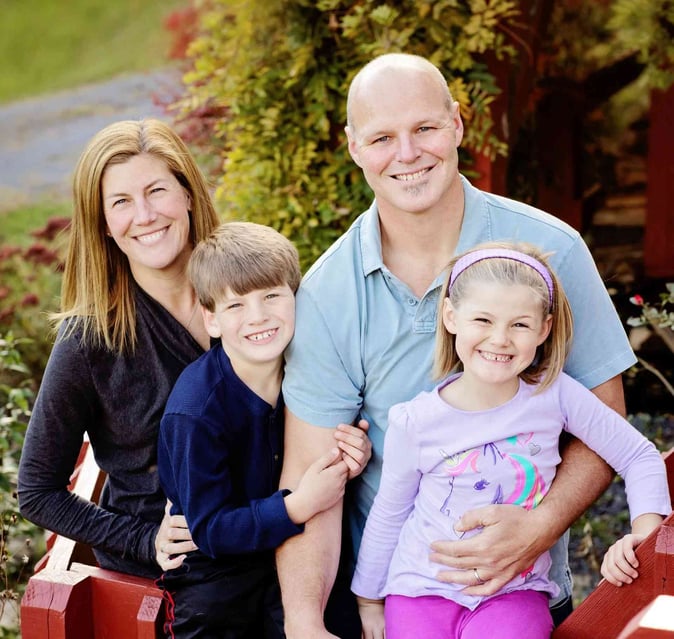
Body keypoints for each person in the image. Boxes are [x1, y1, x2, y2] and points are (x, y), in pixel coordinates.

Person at [277, 53, 638, 639]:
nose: (408, 154)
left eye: (424, 128)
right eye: (382, 137)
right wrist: (303, 623)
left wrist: (541, 525)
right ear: (353, 147)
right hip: (401, 606)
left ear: (457, 125)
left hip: (522, 599)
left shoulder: (553, 250)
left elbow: (608, 420)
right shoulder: (327, 294)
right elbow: (309, 473)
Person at [350, 242, 670, 639]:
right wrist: (368, 600)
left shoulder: (555, 396)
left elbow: (638, 455)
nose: (499, 339)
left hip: (514, 594)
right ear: (451, 317)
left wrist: (645, 537)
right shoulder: (416, 421)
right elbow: (390, 510)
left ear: (544, 328)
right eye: (482, 320)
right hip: (418, 592)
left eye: (519, 324)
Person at [156, 222, 370, 638]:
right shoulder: (196, 411)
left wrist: (350, 455)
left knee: (336, 614)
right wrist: (298, 504)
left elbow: (322, 454)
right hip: (218, 571)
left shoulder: (309, 374)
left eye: (272, 296)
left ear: (297, 298)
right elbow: (211, 530)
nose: (258, 317)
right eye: (236, 306)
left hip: (287, 553)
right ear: (212, 320)